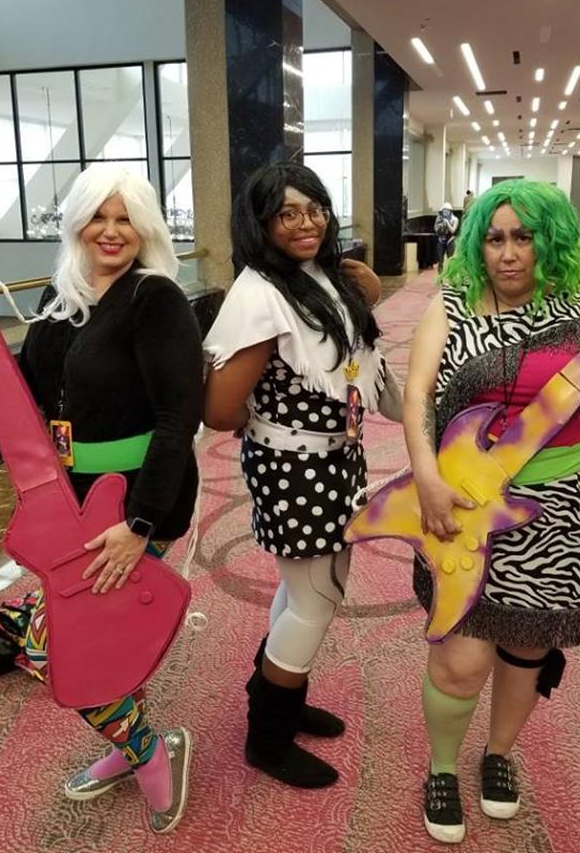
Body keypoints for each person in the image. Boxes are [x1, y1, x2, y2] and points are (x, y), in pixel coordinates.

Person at [0, 164, 203, 834]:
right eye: (98, 218)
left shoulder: (155, 299)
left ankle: (147, 751)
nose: (111, 231)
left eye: (125, 219)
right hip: (69, 508)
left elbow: (179, 419)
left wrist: (139, 525)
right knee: (96, 636)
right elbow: (29, 399)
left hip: (138, 503)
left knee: (58, 648)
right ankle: (135, 742)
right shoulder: (62, 298)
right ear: (77, 224)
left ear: (145, 228)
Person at [403, 179, 580, 844]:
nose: (509, 253)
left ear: (549, 241)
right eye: (495, 239)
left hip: (558, 512)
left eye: (524, 237)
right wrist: (425, 477)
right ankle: (441, 766)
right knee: (461, 658)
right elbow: (417, 395)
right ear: (477, 244)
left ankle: (498, 755)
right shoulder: (451, 304)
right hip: (465, 505)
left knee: (526, 646)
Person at [203, 161, 390, 789]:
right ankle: (268, 735)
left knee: (302, 592)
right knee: (317, 600)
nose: (306, 223)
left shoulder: (316, 277)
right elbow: (220, 409)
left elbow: (347, 361)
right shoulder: (260, 294)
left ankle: (278, 688)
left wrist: (366, 297)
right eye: (287, 213)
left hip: (332, 458)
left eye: (315, 209)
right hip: (295, 465)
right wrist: (275, 426)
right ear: (260, 223)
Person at [434, 202, 459, 273]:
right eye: (444, 211)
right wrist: (441, 225)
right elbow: (436, 229)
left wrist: (447, 223)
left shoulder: (455, 219)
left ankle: (450, 275)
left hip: (450, 241)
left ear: (450, 211)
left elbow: (453, 230)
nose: (445, 213)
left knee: (450, 260)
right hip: (441, 240)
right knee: (440, 260)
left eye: (447, 211)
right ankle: (440, 275)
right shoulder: (439, 219)